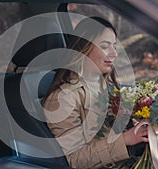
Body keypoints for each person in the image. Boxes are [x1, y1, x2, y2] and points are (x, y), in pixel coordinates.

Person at [42, 17, 148, 169]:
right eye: (105, 46)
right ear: (84, 48)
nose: (114, 54)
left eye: (114, 46)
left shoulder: (106, 86)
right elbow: (75, 159)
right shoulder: (63, 98)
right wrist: (125, 140)